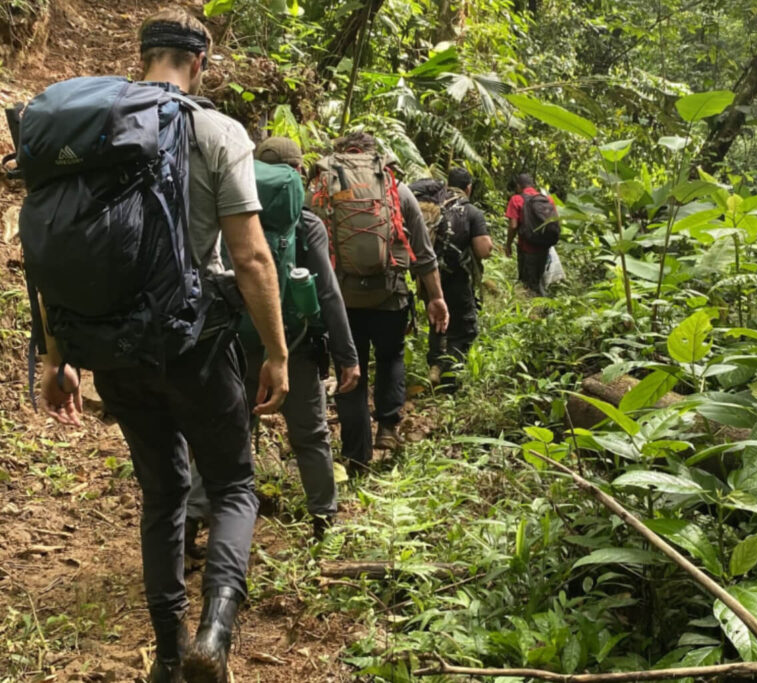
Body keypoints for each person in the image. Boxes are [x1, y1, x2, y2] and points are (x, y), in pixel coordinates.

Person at [35, 9, 288, 683]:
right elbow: (253, 256)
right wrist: (277, 352)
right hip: (193, 345)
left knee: (163, 491)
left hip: (111, 350)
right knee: (233, 483)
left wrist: (56, 355)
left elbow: (52, 254)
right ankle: (214, 631)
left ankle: (169, 654)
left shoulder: (91, 130)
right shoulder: (215, 129)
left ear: (138, 55)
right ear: (200, 64)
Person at [185, 137, 361, 548]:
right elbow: (329, 294)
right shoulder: (304, 222)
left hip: (229, 343)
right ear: (296, 174)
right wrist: (346, 355)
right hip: (293, 346)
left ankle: (192, 521)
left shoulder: (226, 211)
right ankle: (323, 522)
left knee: (225, 435)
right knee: (311, 435)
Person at [312, 131, 448, 467]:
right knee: (391, 357)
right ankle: (387, 428)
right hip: (390, 296)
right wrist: (437, 298)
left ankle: (355, 452)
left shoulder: (322, 193)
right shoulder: (396, 190)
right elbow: (424, 255)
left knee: (349, 367)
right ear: (376, 156)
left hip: (341, 302)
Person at [427, 167, 492, 390]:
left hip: (429, 277)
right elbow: (483, 250)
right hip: (457, 278)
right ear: (468, 188)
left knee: (437, 319)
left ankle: (435, 362)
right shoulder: (471, 211)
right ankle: (449, 379)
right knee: (464, 327)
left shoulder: (434, 206)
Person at [504, 173, 551, 294]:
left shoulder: (516, 199)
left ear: (519, 186)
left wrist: (508, 245)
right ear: (533, 185)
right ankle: (542, 305)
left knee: (527, 285)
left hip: (527, 248)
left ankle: (537, 308)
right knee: (538, 279)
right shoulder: (547, 199)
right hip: (544, 248)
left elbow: (513, 226)